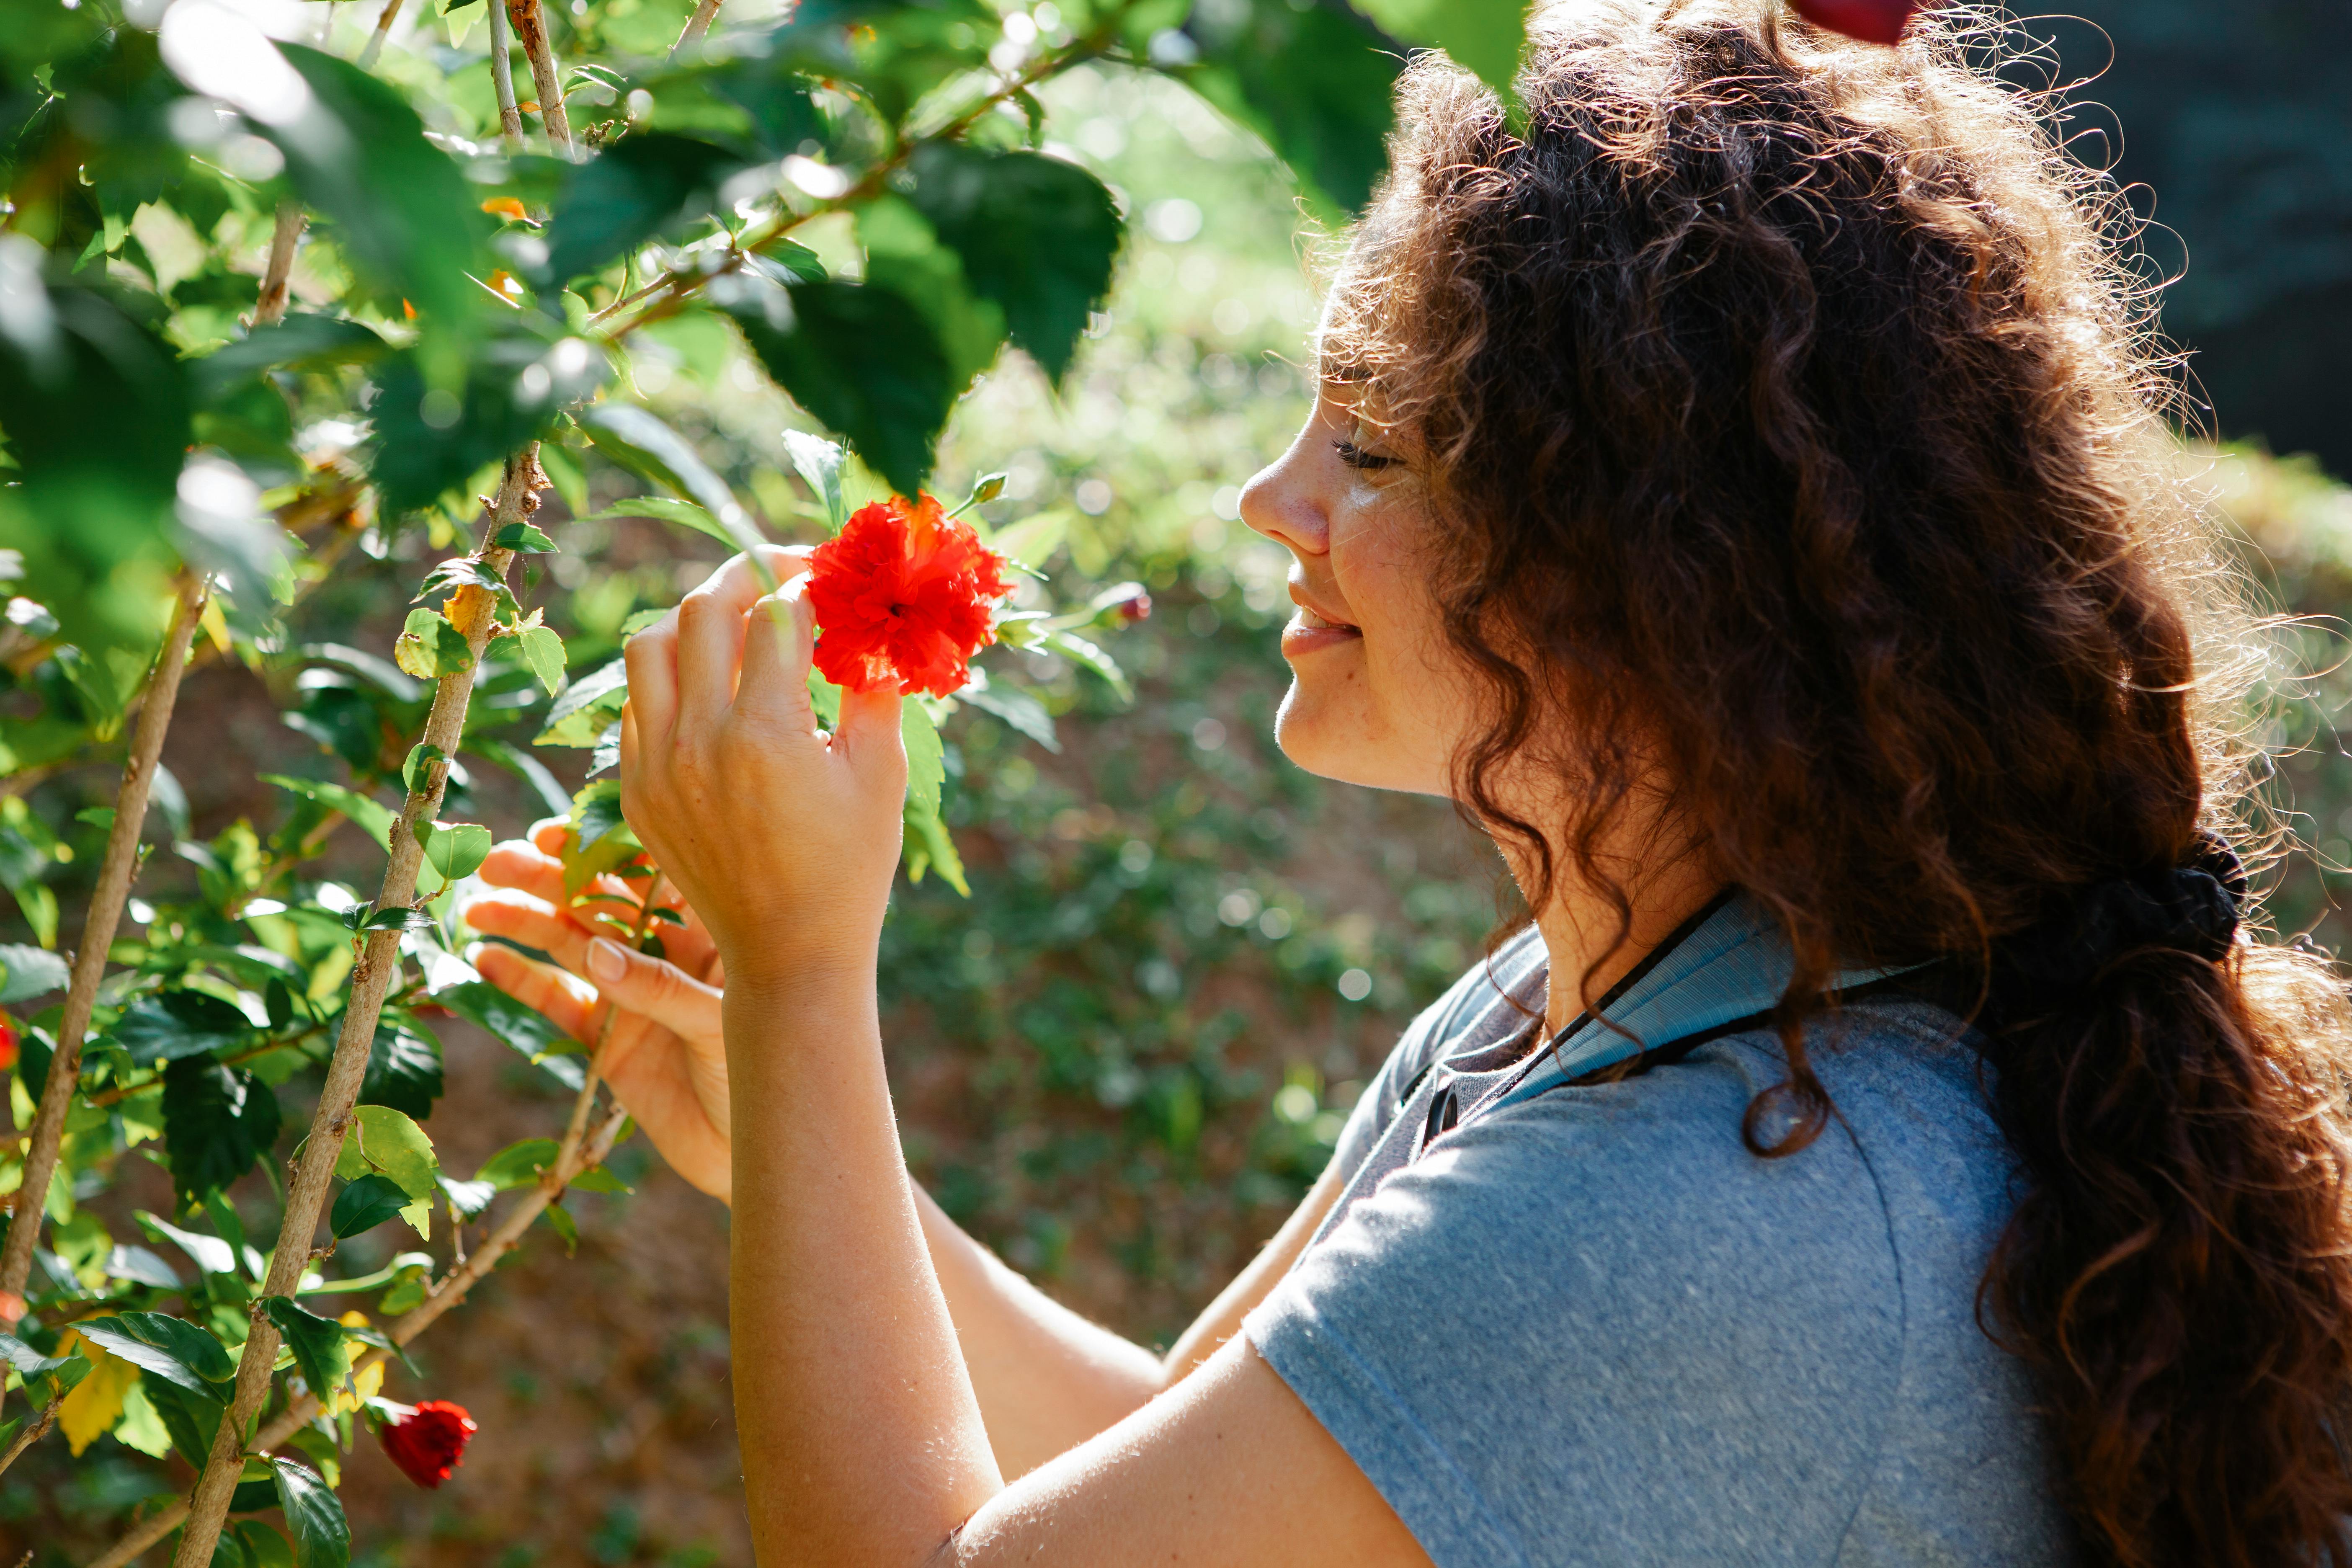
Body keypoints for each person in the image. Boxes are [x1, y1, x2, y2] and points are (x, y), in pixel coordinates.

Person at [461, 3, 2352, 1563]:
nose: (1270, 502)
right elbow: (1230, 1472)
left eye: (1373, 438)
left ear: (1642, 563)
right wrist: (799, 1134)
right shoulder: (1629, 989)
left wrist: (805, 986)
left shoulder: (1711, 1196)